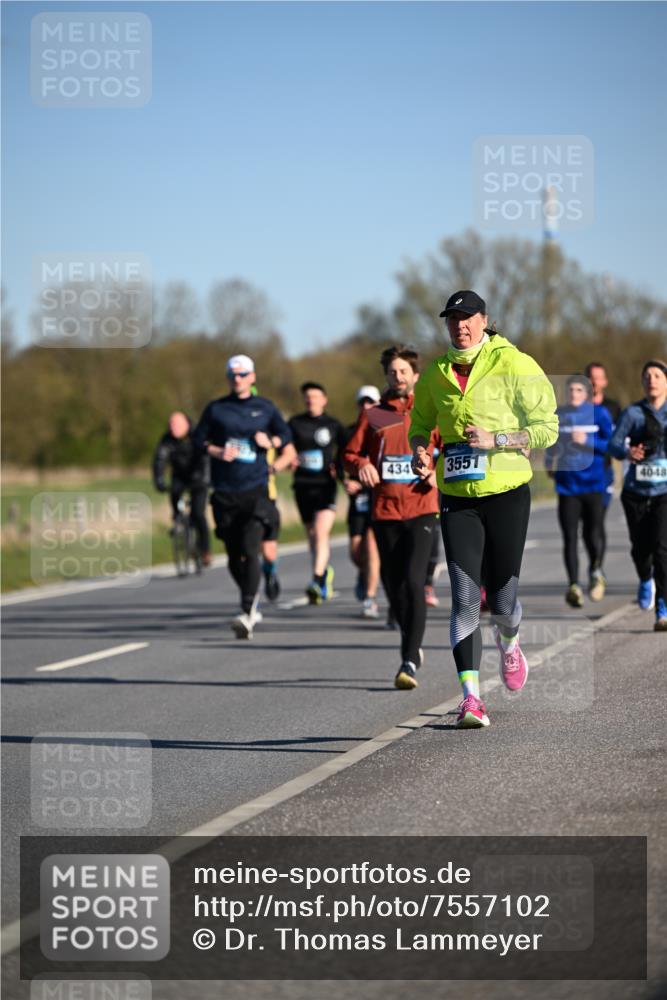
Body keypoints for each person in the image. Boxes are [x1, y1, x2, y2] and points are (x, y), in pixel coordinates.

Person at [410, 289, 558, 728]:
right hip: (456, 496)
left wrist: (499, 439)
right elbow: (420, 424)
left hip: (507, 490)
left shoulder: (515, 363)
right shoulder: (435, 373)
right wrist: (421, 449)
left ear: (484, 319)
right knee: (465, 596)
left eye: (468, 317)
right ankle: (471, 699)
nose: (460, 325)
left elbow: (547, 427)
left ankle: (510, 642)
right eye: (452, 318)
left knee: (505, 600)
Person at [345, 345, 439, 690]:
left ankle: (409, 660)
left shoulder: (429, 410)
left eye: (403, 372)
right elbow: (350, 453)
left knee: (414, 582)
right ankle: (412, 639)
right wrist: (363, 465)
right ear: (385, 377)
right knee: (393, 585)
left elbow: (448, 447)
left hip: (421, 507)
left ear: (415, 376)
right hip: (385, 509)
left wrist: (437, 472)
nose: (397, 377)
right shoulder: (377, 414)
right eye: (391, 373)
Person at [193, 354, 294, 638]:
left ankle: (247, 609)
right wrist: (216, 451)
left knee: (251, 551)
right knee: (233, 557)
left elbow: (285, 436)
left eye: (242, 374)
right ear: (228, 378)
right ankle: (252, 596)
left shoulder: (265, 408)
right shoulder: (216, 409)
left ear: (252, 377)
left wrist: (270, 441)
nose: (237, 379)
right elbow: (197, 440)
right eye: (232, 375)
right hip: (225, 492)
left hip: (256, 491)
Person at [544, 374, 613, 607]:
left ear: (588, 393)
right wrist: (549, 464)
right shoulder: (560, 415)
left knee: (593, 534)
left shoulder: (599, 414)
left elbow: (612, 445)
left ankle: (596, 571)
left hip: (593, 484)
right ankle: (573, 585)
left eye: (579, 390)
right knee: (570, 537)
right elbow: (551, 443)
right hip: (567, 486)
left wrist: (587, 441)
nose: (574, 394)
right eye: (571, 390)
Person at [609, 360, 667, 631]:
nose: (651, 380)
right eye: (647, 376)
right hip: (635, 492)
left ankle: (663, 608)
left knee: (662, 549)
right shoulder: (633, 413)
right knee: (640, 549)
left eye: (657, 375)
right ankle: (645, 578)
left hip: (664, 492)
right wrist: (627, 453)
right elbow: (613, 444)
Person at [288, 382, 346, 604]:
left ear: (324, 400)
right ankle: (324, 573)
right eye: (307, 397)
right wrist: (290, 457)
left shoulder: (332, 425)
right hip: (302, 484)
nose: (310, 400)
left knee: (321, 533)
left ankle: (317, 578)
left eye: (315, 396)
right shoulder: (295, 423)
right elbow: (285, 446)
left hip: (325, 485)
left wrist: (339, 469)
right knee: (312, 536)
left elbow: (346, 449)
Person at [152, 411, 211, 565]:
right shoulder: (167, 440)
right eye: (171, 425)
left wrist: (205, 479)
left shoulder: (197, 435)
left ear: (186, 424)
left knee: (198, 514)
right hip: (179, 477)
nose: (174, 428)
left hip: (199, 477)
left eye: (177, 425)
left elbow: (206, 458)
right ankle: (178, 521)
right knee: (174, 492)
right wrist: (159, 481)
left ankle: (205, 550)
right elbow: (159, 460)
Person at [343, 386, 382, 619]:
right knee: (356, 553)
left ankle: (370, 598)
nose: (367, 407)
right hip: (358, 500)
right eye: (363, 402)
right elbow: (339, 463)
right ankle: (364, 572)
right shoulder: (350, 432)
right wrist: (347, 481)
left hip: (379, 496)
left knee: (372, 545)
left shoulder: (385, 429)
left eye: (371, 402)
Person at [585, 361, 622, 562]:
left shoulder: (613, 408)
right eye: (590, 377)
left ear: (605, 381)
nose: (594, 382)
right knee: (586, 525)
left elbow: (621, 439)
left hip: (604, 472)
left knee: (597, 521)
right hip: (578, 475)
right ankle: (594, 565)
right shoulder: (576, 407)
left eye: (598, 378)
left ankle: (597, 567)